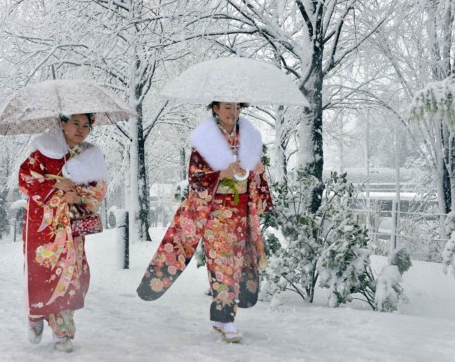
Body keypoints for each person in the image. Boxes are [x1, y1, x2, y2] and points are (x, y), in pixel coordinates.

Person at [137, 101, 273, 343]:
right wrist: (221, 174)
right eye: (227, 107)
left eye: (236, 108)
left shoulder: (249, 137)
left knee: (237, 263)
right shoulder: (205, 140)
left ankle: (219, 317)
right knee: (223, 263)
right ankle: (227, 319)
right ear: (215, 109)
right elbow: (195, 177)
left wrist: (250, 175)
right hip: (216, 212)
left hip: (240, 211)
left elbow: (258, 172)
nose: (232, 113)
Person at [19, 113, 108, 353]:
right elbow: (25, 180)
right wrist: (55, 186)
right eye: (75, 123)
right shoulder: (43, 153)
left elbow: (98, 189)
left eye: (86, 125)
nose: (81, 129)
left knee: (70, 274)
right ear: (62, 124)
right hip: (43, 226)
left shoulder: (90, 155)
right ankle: (36, 315)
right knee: (42, 272)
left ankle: (63, 330)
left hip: (71, 227)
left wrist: (78, 196)